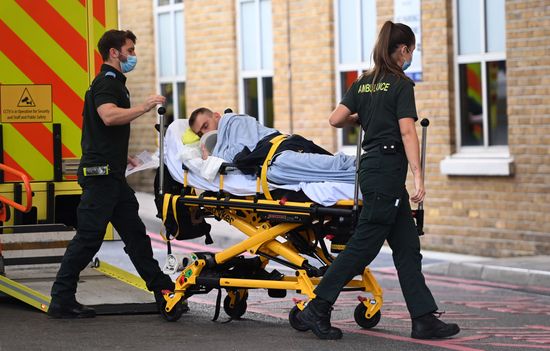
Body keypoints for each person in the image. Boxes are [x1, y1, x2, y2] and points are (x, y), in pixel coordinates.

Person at [294, 21, 460, 340]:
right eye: (411, 50)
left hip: (374, 168)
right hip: (387, 171)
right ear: (402, 50)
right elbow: (408, 131)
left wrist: (362, 116)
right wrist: (418, 175)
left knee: (407, 247)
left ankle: (423, 318)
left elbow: (335, 119)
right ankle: (318, 306)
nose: (411, 55)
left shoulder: (364, 83)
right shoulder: (400, 84)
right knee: (364, 245)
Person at [48, 30, 177, 318]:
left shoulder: (115, 82)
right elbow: (108, 115)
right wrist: (144, 107)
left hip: (112, 175)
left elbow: (102, 129)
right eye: (129, 50)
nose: (133, 55)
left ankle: (163, 291)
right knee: (89, 238)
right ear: (113, 52)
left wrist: (125, 157)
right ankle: (61, 299)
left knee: (135, 236)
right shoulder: (107, 83)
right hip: (101, 177)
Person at [188, 108, 357, 185]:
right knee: (332, 167)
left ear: (217, 116)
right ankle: (371, 169)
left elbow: (241, 153)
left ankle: (372, 168)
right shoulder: (225, 137)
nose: (206, 132)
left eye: (206, 125)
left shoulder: (233, 122)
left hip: (279, 156)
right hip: (278, 157)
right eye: (201, 134)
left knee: (335, 165)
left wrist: (210, 159)